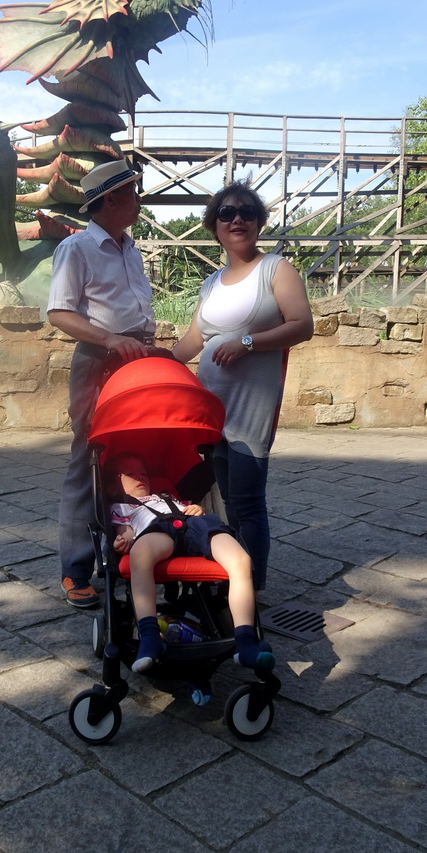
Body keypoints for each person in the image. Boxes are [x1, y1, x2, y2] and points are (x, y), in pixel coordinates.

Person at [172, 179, 313, 591]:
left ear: (259, 223)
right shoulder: (212, 282)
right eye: (227, 213)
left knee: (249, 503)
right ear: (213, 225)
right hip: (211, 408)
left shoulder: (276, 268)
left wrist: (248, 343)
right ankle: (234, 579)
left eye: (247, 212)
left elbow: (302, 325)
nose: (237, 219)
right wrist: (157, 360)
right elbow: (194, 340)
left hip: (250, 409)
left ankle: (252, 589)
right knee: (228, 501)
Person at [48, 159, 156, 609]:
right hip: (98, 361)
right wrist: (112, 339)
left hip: (138, 360)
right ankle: (75, 571)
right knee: (87, 459)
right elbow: (59, 313)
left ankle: (127, 552)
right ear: (110, 199)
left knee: (132, 457)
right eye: (133, 191)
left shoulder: (130, 247)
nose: (139, 199)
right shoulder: (77, 250)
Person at [105, 452, 275, 674]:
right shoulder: (122, 506)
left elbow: (191, 509)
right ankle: (150, 636)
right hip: (157, 530)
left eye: (143, 473)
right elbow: (125, 530)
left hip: (195, 525)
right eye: (130, 474)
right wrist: (124, 539)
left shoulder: (166, 495)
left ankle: (245, 640)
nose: (140, 477)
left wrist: (197, 509)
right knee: (140, 554)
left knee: (241, 559)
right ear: (112, 487)